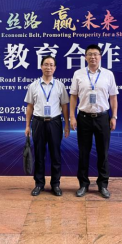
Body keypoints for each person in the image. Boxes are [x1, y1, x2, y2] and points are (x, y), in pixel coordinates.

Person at [69, 44, 119, 198]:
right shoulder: (78, 74)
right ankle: (83, 184)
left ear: (100, 56)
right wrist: (72, 116)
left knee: (103, 153)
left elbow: (113, 97)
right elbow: (73, 96)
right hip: (83, 118)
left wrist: (114, 116)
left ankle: (102, 185)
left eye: (95, 54)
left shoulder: (108, 74)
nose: (93, 57)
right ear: (85, 57)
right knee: (83, 153)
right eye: (90, 54)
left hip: (102, 118)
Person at [25, 56, 70, 196]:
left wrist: (67, 125)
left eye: (51, 65)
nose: (48, 67)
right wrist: (27, 126)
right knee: (39, 154)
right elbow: (30, 107)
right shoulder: (33, 86)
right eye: (46, 64)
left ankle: (55, 184)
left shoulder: (60, 85)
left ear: (55, 68)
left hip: (55, 122)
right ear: (41, 67)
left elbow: (64, 106)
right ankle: (39, 184)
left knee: (55, 155)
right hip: (38, 122)